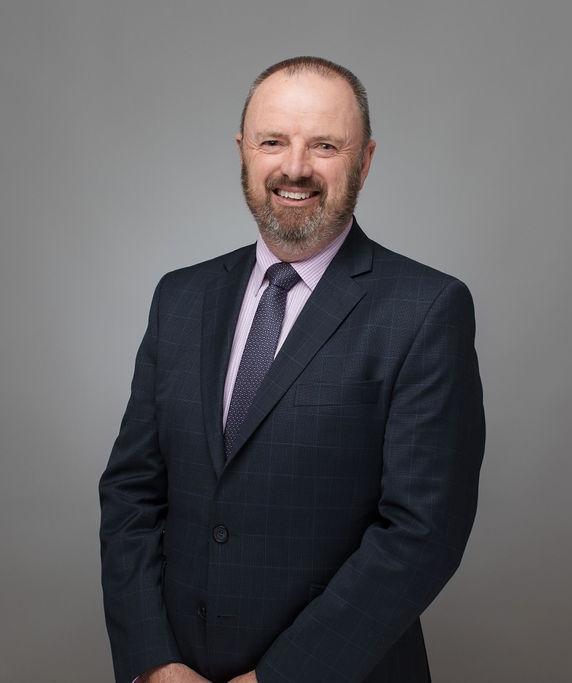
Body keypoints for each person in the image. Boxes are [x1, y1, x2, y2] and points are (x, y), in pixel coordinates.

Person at [99, 56, 486, 683]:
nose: (295, 167)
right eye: (272, 141)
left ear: (365, 161)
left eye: (325, 145)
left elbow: (422, 532)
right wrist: (154, 662)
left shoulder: (426, 309)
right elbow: (131, 492)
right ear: (243, 150)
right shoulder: (180, 297)